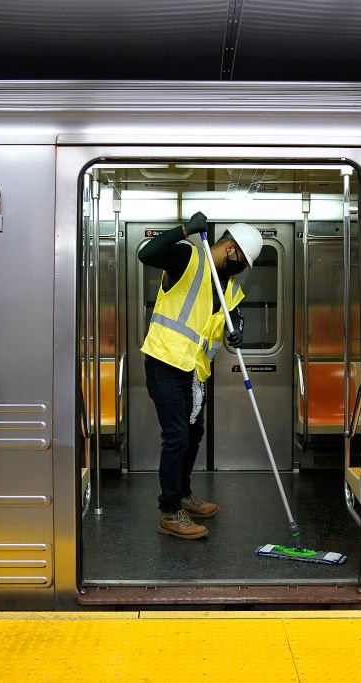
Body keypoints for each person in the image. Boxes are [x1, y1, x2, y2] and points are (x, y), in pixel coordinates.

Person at [139, 211, 263, 539]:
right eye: (242, 260)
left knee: (194, 433)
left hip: (196, 370)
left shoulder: (230, 287)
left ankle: (182, 494)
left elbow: (233, 319)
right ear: (231, 249)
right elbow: (145, 254)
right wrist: (184, 230)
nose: (240, 268)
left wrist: (237, 332)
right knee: (177, 435)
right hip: (165, 361)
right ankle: (169, 512)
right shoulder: (188, 258)